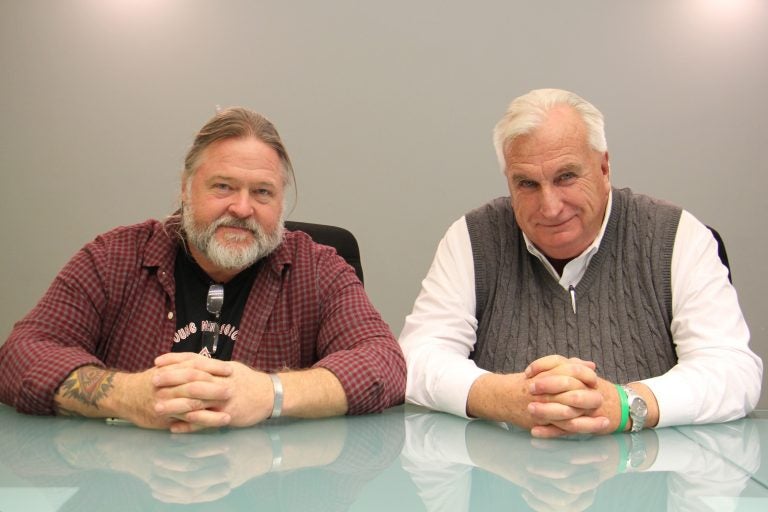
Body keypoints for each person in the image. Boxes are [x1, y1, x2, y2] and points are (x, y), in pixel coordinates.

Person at [0, 107, 406, 432]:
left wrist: (270, 393)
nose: (242, 208)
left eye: (262, 192)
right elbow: (19, 356)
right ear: (185, 188)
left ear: (281, 202)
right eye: (223, 186)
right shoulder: (113, 257)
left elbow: (384, 363)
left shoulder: (318, 268)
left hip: (270, 489)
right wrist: (130, 395)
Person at [399, 88, 762, 438]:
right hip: (503, 484)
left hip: (645, 484)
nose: (551, 206)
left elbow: (733, 371)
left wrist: (624, 405)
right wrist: (506, 397)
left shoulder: (677, 235)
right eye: (527, 184)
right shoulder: (472, 238)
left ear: (604, 168)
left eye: (567, 177)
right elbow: (417, 357)